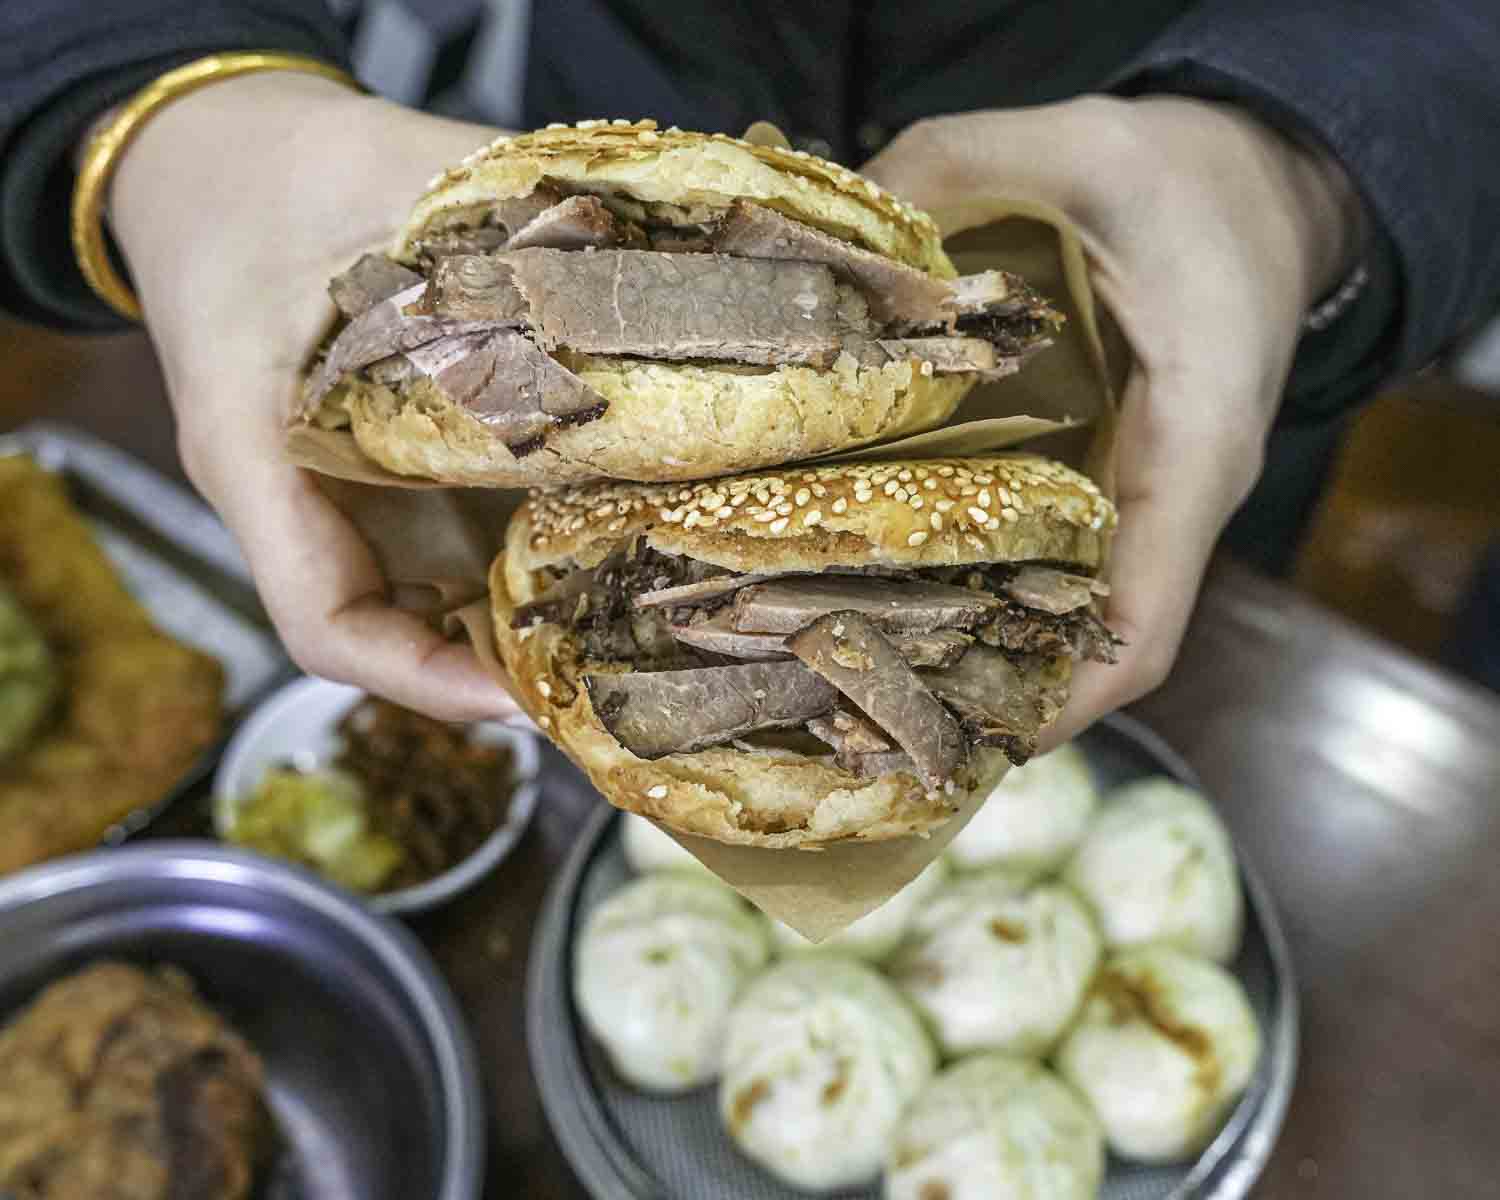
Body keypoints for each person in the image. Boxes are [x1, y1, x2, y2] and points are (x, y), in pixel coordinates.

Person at [2, 1, 1497, 748]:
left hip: (1172, 319)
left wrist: (1316, 161)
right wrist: (169, 107)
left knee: (1125, 694)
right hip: (561, 187)